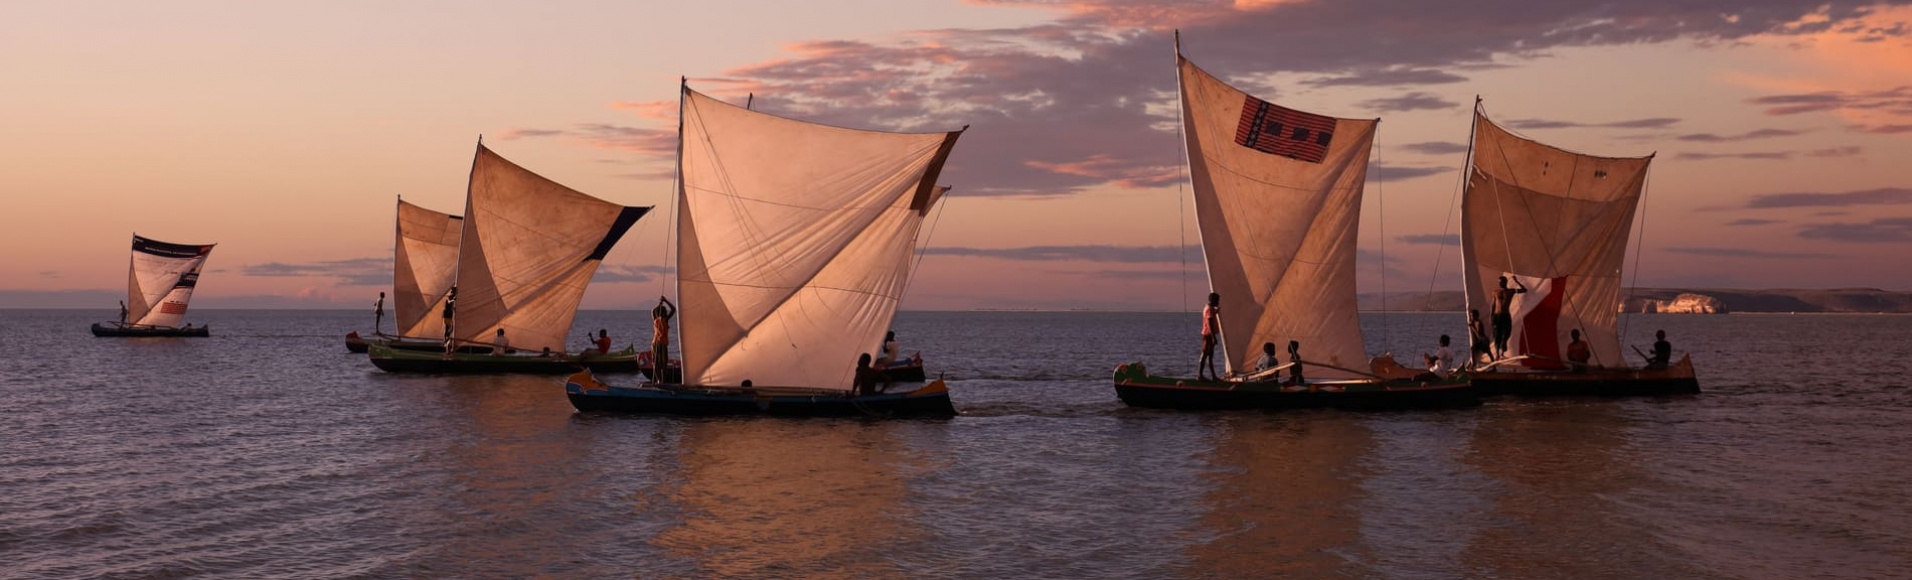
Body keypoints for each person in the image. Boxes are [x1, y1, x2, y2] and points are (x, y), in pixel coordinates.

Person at [1491, 276, 1528, 359]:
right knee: (1497, 335)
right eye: (1499, 282)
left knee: (1507, 334)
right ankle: (1497, 354)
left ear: (1505, 282)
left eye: (1502, 282)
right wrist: (1491, 317)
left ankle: (1502, 353)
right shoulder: (1496, 292)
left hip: (1505, 315)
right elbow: (1493, 305)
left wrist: (1516, 281)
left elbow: (1524, 290)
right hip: (1497, 316)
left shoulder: (1511, 291)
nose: (1500, 283)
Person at [649, 296, 676, 383]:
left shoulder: (655, 320)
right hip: (662, 344)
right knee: (663, 364)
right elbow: (673, 309)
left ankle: (659, 380)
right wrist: (665, 301)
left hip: (655, 343)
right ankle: (662, 380)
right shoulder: (665, 320)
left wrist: (659, 304)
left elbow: (652, 311)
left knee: (656, 363)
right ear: (664, 313)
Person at [1198, 292, 1221, 381]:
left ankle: (1214, 376)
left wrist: (1216, 312)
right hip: (1208, 335)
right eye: (1218, 300)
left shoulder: (1209, 308)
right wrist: (1213, 337)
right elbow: (1210, 323)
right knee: (1205, 355)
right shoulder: (1209, 309)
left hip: (1209, 335)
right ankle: (1200, 375)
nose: (1218, 302)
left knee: (1210, 356)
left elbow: (1211, 316)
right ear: (1214, 300)